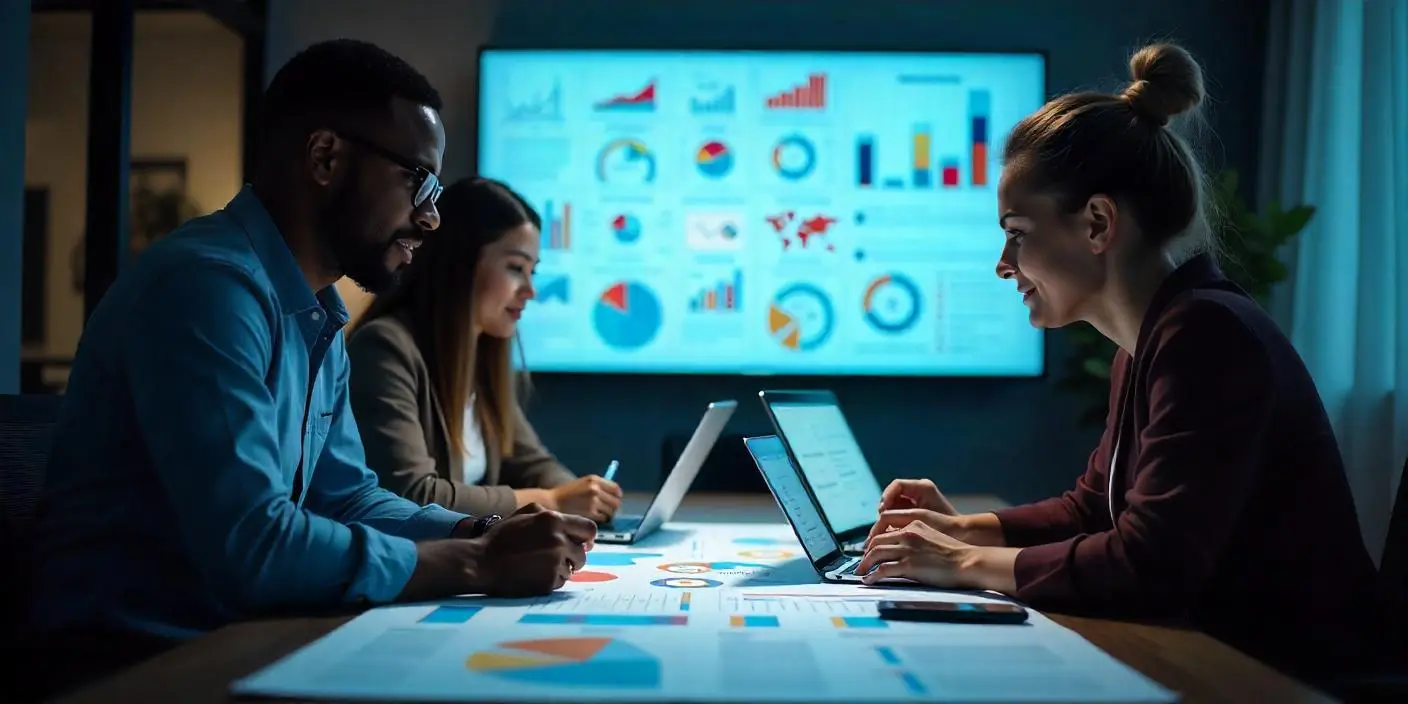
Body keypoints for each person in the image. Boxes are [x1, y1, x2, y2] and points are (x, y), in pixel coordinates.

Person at [22, 40, 595, 696]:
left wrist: (482, 528)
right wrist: (474, 562)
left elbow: (347, 495)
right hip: (137, 666)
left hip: (235, 636)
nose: (431, 217)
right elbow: (255, 545)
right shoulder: (206, 288)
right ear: (325, 157)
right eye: (418, 181)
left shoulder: (314, 310)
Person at [855, 42, 1396, 682]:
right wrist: (963, 529)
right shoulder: (1155, 338)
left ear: (1097, 223)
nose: (1004, 263)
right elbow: (1094, 511)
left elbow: (1150, 568)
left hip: (1291, 682)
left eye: (1018, 232)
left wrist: (960, 563)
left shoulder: (1206, 335)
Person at [346, 177, 623, 522]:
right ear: (460, 264)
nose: (530, 291)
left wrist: (581, 498)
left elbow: (531, 463)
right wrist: (550, 499)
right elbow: (413, 494)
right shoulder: (385, 348)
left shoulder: (480, 353)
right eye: (515, 268)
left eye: (532, 272)